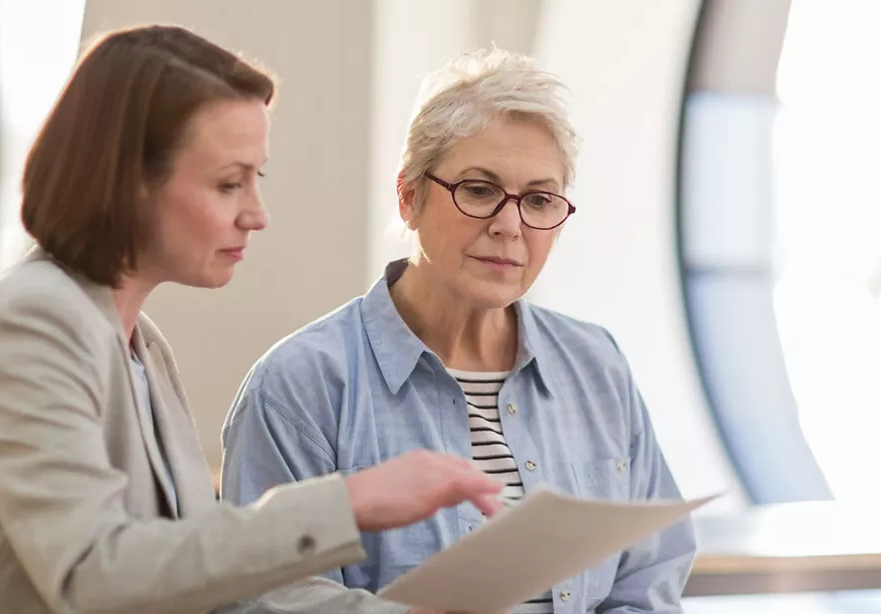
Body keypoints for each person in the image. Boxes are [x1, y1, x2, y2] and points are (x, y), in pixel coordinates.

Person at [0, 25, 505, 614]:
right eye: (229, 184)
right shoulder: (30, 323)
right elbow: (96, 575)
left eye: (254, 179)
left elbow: (187, 571)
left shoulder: (142, 345)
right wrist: (351, 502)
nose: (256, 214)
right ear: (127, 182)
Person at [220, 48, 698, 613]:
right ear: (408, 197)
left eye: (540, 200)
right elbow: (267, 597)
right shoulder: (301, 384)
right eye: (478, 190)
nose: (509, 226)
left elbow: (650, 576)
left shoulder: (596, 363)